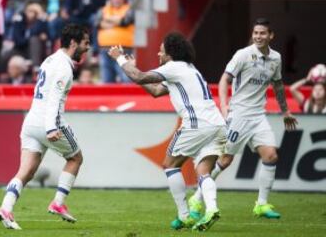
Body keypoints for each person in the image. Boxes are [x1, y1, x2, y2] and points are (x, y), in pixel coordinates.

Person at [108, 32, 226, 231]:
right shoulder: (189, 69)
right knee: (203, 171)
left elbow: (139, 77)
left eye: (161, 51)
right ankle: (212, 209)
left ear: (170, 53)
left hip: (196, 124)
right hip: (218, 125)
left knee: (170, 165)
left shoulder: (173, 68)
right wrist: (132, 66)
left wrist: (119, 58)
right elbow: (154, 91)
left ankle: (184, 215)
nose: (158, 53)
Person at [189, 18, 298, 219]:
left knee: (271, 156)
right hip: (238, 114)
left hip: (258, 116)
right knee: (225, 160)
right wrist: (224, 106)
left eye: (262, 33)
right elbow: (224, 79)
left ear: (270, 35)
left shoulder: (276, 58)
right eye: (255, 33)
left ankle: (261, 204)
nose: (258, 36)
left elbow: (278, 86)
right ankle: (197, 197)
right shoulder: (243, 55)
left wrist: (286, 112)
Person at [0, 23, 90, 230]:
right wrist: (50, 128)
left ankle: (5, 208)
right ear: (73, 43)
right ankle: (58, 203)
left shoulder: (50, 59)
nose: (88, 48)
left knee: (26, 172)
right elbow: (54, 99)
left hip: (30, 121)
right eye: (85, 43)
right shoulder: (64, 67)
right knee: (75, 158)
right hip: (49, 122)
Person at [97, 0, 134, 83]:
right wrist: (117, 21)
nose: (117, 0)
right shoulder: (103, 10)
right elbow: (97, 22)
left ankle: (128, 97)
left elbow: (125, 22)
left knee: (126, 79)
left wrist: (107, 19)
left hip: (123, 50)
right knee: (107, 80)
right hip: (105, 49)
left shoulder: (129, 9)